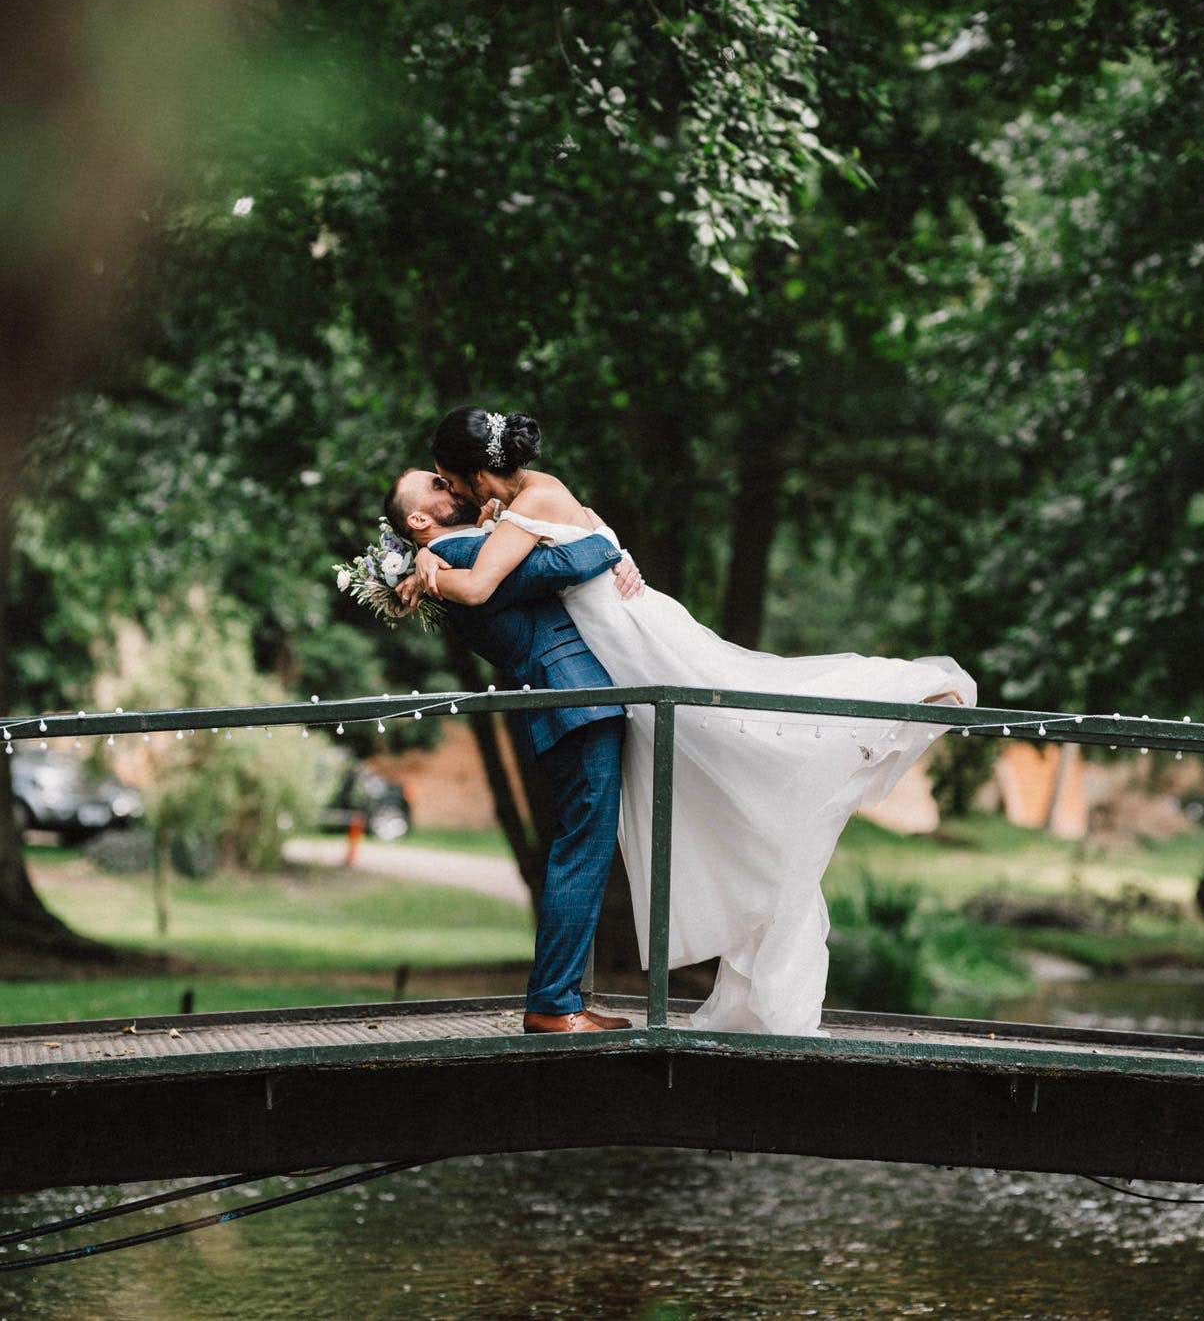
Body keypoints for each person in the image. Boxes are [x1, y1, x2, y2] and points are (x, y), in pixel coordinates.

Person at [411, 406, 978, 1037]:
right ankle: (568, 994)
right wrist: (605, 548)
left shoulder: (533, 501)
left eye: (449, 479)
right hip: (617, 640)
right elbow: (584, 537)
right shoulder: (525, 502)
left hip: (632, 635)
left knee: (738, 704)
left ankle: (895, 697)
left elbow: (480, 586)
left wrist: (429, 566)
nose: (452, 493)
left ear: (473, 473)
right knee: (719, 727)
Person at [385, 467, 642, 1034]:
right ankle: (553, 1006)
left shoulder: (455, 555)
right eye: (435, 484)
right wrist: (605, 541)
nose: (451, 484)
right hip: (577, 703)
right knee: (582, 851)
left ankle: (561, 996)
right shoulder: (464, 555)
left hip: (573, 704)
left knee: (581, 849)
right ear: (419, 521)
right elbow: (570, 560)